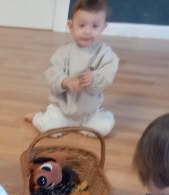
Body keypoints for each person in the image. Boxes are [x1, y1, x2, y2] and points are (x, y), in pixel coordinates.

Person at [25, 0, 118, 137]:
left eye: (94, 26)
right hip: (62, 109)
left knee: (103, 127)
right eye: (81, 25)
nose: (87, 31)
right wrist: (65, 81)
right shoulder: (63, 53)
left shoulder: (106, 55)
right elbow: (52, 73)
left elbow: (107, 76)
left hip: (89, 112)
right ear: (71, 26)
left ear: (103, 27)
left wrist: (94, 79)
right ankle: (38, 117)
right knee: (48, 128)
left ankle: (89, 119)